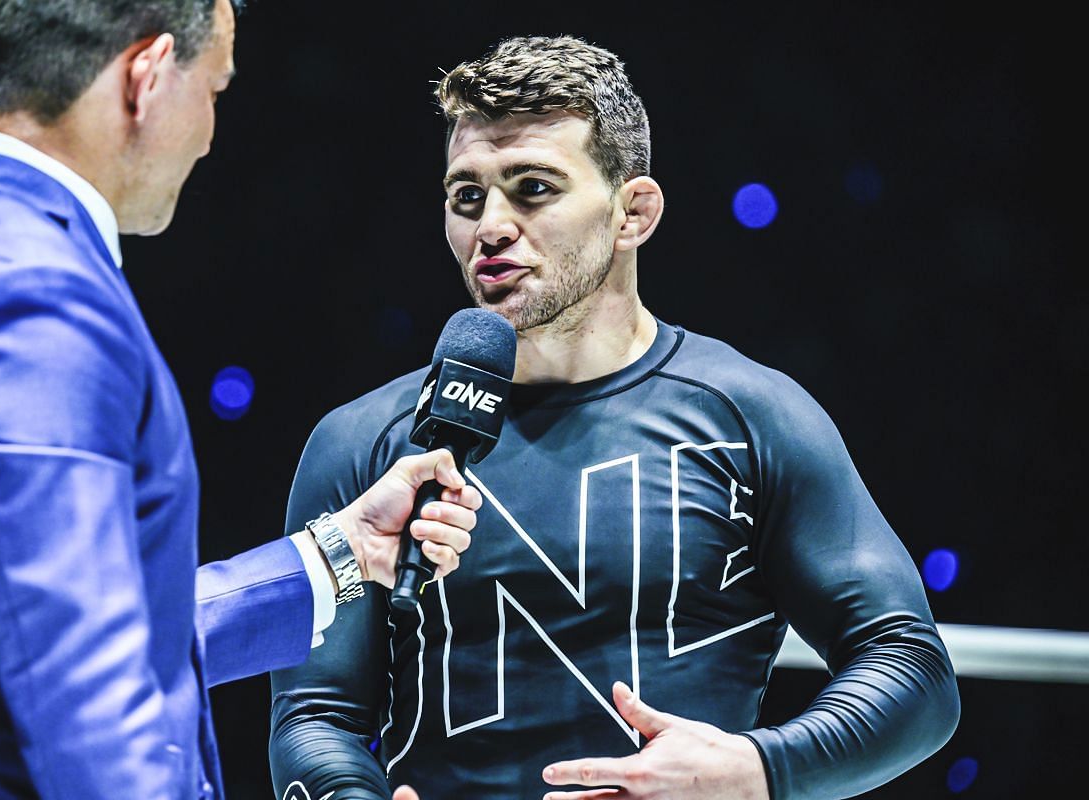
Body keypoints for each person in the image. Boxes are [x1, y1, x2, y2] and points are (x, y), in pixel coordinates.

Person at [268, 35, 960, 800]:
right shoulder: (365, 443)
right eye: (467, 196)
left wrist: (760, 770)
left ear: (634, 212)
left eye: (532, 188)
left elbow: (911, 669)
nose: (491, 226)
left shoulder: (750, 417)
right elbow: (315, 713)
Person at [0, 2, 477, 799]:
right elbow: (83, 687)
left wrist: (339, 554)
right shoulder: (26, 292)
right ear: (148, 75)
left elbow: (24, 631)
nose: (209, 132)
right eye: (215, 90)